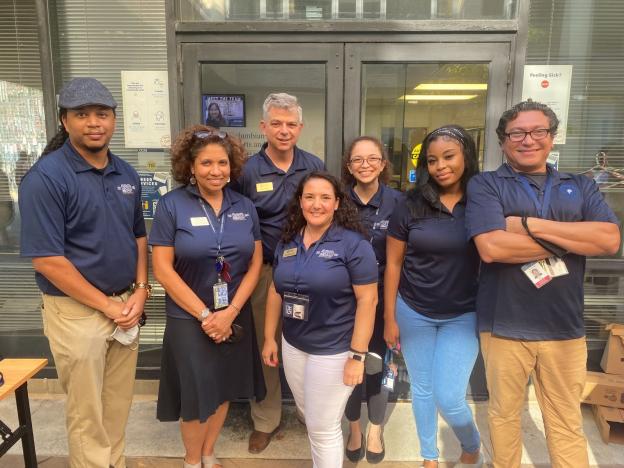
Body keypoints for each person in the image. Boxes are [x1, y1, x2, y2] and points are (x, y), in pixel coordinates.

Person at [465, 101, 621, 468]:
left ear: (552, 137)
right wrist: (573, 237)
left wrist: (529, 225)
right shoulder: (487, 184)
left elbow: (609, 241)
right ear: (504, 141)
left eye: (538, 131)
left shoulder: (579, 185)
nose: (528, 140)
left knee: (566, 420)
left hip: (564, 327)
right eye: (517, 133)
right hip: (504, 324)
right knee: (503, 416)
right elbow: (491, 247)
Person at [19, 77, 149, 468]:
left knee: (116, 406)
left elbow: (139, 236)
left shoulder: (125, 173)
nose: (94, 123)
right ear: (64, 121)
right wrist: (108, 306)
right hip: (76, 312)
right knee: (87, 415)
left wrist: (142, 290)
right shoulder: (46, 178)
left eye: (102, 114)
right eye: (82, 114)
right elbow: (47, 260)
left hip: (126, 304)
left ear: (113, 120)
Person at [150, 126, 266, 468]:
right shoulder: (172, 205)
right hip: (189, 319)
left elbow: (255, 262)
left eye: (222, 163)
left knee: (224, 388)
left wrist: (230, 312)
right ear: (190, 166)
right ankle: (191, 461)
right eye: (206, 163)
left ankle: (208, 453)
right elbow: (162, 269)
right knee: (197, 395)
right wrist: (205, 315)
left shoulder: (244, 205)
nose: (216, 170)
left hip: (233, 315)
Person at [262, 171, 378, 467]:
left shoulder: (353, 245)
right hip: (294, 345)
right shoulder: (287, 242)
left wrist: (357, 355)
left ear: (337, 203)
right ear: (299, 201)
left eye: (325, 197)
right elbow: (276, 290)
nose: (317, 204)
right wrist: (268, 338)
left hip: (335, 350)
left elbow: (368, 300)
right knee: (308, 415)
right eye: (309, 197)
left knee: (323, 428)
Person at [384, 125, 483, 467]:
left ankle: (471, 444)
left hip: (463, 313)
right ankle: (429, 457)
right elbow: (393, 264)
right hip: (413, 311)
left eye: (449, 156)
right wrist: (389, 318)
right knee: (422, 389)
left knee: (450, 396)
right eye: (432, 159)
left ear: (466, 156)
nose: (440, 165)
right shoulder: (409, 204)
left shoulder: (482, 202)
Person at [232, 92, 324, 453]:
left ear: (300, 128)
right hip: (266, 271)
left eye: (290, 124)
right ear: (263, 127)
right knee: (265, 345)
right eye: (276, 124)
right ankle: (266, 419)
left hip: (310, 269)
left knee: (310, 343)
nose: (284, 131)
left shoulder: (314, 166)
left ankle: (309, 411)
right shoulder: (246, 172)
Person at [341, 136, 402, 464]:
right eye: (357, 160)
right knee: (348, 367)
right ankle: (354, 427)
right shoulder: (337, 201)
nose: (365, 165)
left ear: (382, 163)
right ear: (349, 166)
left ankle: (375, 428)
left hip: (385, 301)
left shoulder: (399, 202)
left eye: (372, 158)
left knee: (379, 364)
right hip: (345, 303)